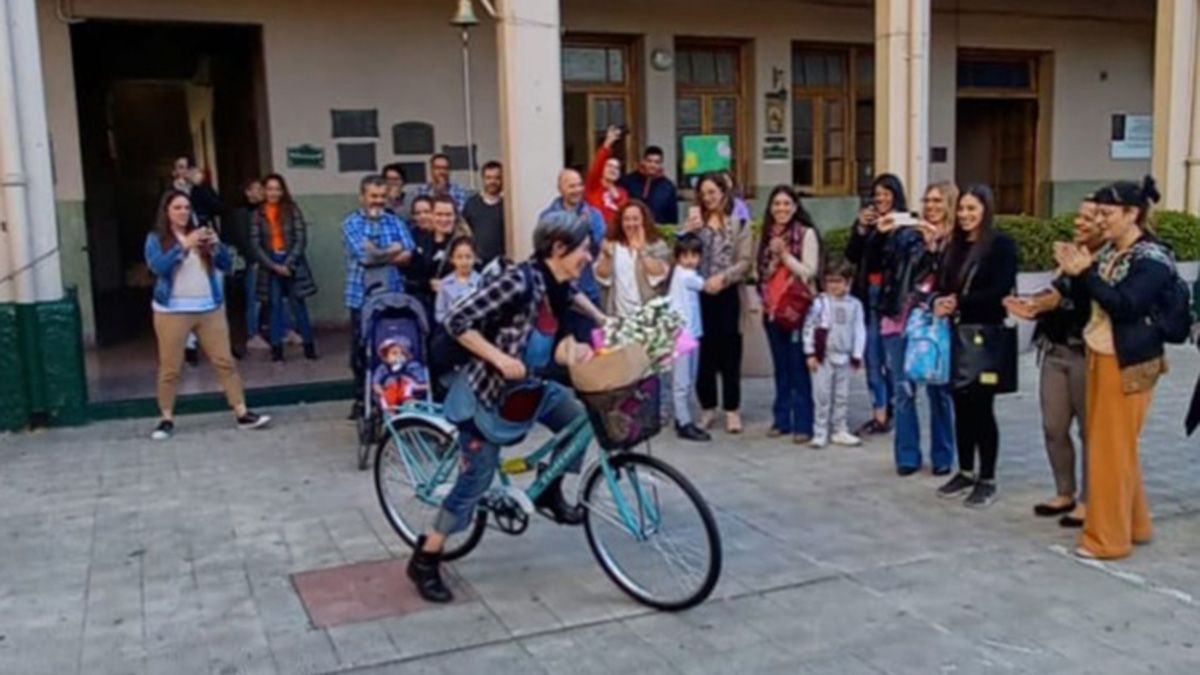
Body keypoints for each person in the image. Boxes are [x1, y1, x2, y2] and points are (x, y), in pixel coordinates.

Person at [407, 211, 604, 603]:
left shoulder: (559, 285)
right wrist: (498, 358)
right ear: (558, 247)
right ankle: (426, 557)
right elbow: (459, 320)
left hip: (528, 388)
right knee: (473, 483)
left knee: (579, 419)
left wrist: (583, 349)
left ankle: (548, 491)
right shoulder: (517, 281)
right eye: (583, 249)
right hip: (486, 394)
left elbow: (556, 342)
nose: (589, 257)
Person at [1054, 177, 1171, 560]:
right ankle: (1135, 524)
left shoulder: (1151, 259)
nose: (1099, 220)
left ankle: (1107, 540)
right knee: (1118, 449)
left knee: (1109, 450)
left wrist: (1085, 273)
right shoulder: (1109, 252)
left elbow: (1126, 305)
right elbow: (1089, 298)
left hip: (1128, 360)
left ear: (1131, 214)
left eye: (1107, 213)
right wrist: (1072, 274)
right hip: (1099, 352)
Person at [1004, 198, 1103, 529]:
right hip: (1055, 349)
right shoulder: (1071, 254)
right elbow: (1057, 293)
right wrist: (1032, 305)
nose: (1079, 223)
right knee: (1053, 427)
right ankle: (1065, 491)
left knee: (1091, 431)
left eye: (1088, 218)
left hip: (1085, 353)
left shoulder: (1108, 260)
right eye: (1078, 216)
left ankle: (1092, 499)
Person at [143, 190, 271, 440]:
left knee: (224, 361)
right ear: (166, 212)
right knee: (170, 367)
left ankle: (242, 412)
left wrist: (216, 247)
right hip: (172, 311)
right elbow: (157, 267)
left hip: (208, 308)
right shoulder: (156, 238)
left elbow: (226, 265)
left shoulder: (201, 233)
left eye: (186, 208)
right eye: (177, 208)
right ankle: (166, 418)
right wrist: (183, 246)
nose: (183, 212)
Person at [933, 185, 1018, 508]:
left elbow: (1000, 288)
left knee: (982, 409)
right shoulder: (953, 246)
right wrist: (941, 301)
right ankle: (965, 470)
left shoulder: (1000, 245)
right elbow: (942, 283)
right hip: (956, 333)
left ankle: (987, 477)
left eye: (972, 209)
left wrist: (960, 301)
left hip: (985, 334)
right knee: (961, 406)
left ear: (986, 210)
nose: (966, 216)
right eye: (962, 209)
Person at [879, 182, 959, 476]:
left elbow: (950, 278)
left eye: (938, 201)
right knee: (904, 390)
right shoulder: (909, 236)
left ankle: (943, 455)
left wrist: (937, 249)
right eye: (928, 200)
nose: (932, 206)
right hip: (904, 319)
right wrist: (922, 245)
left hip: (938, 325)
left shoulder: (957, 242)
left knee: (940, 392)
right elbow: (897, 269)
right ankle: (907, 456)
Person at [681, 173, 754, 434]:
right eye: (704, 193)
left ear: (724, 192)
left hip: (727, 292)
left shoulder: (739, 223)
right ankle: (707, 406)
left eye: (713, 192)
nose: (708, 198)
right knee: (705, 353)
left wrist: (724, 278)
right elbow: (680, 254)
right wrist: (686, 231)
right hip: (698, 294)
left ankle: (732, 409)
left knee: (730, 351)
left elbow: (746, 261)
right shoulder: (696, 222)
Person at [343, 174, 417, 415]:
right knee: (360, 350)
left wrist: (377, 252)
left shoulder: (395, 221)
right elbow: (363, 257)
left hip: (393, 295)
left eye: (382, 197)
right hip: (360, 298)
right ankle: (361, 400)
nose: (378, 201)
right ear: (362, 197)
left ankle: (393, 396)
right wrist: (392, 251)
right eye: (373, 196)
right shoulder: (350, 223)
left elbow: (408, 254)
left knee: (393, 346)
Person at [846, 173, 909, 436]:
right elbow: (853, 255)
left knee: (893, 360)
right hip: (867, 294)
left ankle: (897, 407)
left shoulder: (905, 225)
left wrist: (887, 232)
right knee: (871, 356)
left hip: (891, 298)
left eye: (886, 193)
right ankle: (879, 414)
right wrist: (861, 229)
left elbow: (902, 260)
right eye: (877, 193)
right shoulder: (868, 223)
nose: (881, 199)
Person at [757, 185, 821, 443]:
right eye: (776, 204)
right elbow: (760, 273)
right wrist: (773, 259)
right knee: (780, 368)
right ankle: (781, 419)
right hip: (772, 309)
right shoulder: (765, 235)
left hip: (797, 309)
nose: (781, 209)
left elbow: (809, 272)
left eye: (786, 204)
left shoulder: (806, 234)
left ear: (795, 207)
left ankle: (804, 423)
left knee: (798, 366)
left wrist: (784, 255)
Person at [250, 174, 319, 362]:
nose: (274, 193)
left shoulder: (292, 209)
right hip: (270, 263)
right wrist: (273, 265)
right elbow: (255, 244)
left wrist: (288, 263)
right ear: (264, 191)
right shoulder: (258, 213)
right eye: (270, 189)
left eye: (277, 189)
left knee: (299, 305)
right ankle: (277, 349)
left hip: (291, 261)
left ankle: (309, 346)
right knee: (274, 307)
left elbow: (300, 237)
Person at [804, 260, 866, 449]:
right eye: (830, 281)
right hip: (823, 356)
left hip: (844, 355)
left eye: (838, 281)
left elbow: (859, 330)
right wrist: (810, 352)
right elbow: (810, 327)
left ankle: (840, 429)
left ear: (848, 282)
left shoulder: (854, 304)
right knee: (821, 395)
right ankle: (820, 431)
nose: (834, 285)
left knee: (842, 395)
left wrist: (857, 354)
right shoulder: (820, 303)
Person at [541, 169, 607, 342]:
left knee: (590, 351)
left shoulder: (594, 215)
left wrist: (588, 228)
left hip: (588, 290)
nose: (577, 190)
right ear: (560, 188)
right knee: (562, 352)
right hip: (559, 295)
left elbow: (600, 249)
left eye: (579, 185)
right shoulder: (548, 217)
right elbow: (548, 254)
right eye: (572, 186)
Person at [594, 200, 670, 318]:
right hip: (617, 314)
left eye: (635, 219)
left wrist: (642, 251)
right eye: (626, 219)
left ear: (643, 220)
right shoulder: (611, 243)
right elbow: (601, 276)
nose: (631, 223)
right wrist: (608, 257)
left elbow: (661, 273)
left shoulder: (657, 244)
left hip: (648, 314)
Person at [668, 234, 710, 442]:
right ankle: (683, 422)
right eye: (685, 255)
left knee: (687, 378)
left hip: (692, 332)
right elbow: (706, 285)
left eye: (694, 255)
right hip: (683, 334)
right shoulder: (685, 275)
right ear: (678, 258)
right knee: (682, 381)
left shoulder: (685, 273)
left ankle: (682, 417)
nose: (690, 259)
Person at [408, 196, 471, 319]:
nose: (444, 219)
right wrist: (428, 283)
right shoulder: (420, 240)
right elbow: (412, 275)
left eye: (448, 215)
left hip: (454, 308)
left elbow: (471, 277)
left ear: (455, 217)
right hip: (425, 307)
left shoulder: (462, 243)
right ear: (432, 216)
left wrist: (448, 285)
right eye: (439, 214)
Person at [230, 179, 268, 351]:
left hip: (265, 260)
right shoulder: (242, 213)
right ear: (248, 192)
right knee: (254, 298)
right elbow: (245, 241)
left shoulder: (263, 210)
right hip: (254, 262)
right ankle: (253, 334)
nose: (262, 192)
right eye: (257, 189)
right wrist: (255, 259)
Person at [618, 145, 679, 226]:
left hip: (658, 231)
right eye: (649, 161)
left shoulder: (668, 187)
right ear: (643, 161)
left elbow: (672, 218)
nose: (652, 165)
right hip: (631, 228)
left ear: (661, 164)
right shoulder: (628, 181)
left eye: (657, 162)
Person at [461, 161, 506, 264]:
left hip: (502, 262)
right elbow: (464, 232)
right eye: (488, 178)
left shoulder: (508, 206)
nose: (492, 181)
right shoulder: (471, 204)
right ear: (483, 179)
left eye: (497, 178)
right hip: (476, 262)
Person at [585, 126, 629, 226]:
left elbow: (625, 215)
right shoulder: (594, 186)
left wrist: (617, 198)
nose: (613, 170)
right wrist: (608, 142)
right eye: (609, 166)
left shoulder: (622, 193)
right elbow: (597, 164)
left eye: (616, 168)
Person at [435, 236, 482, 324]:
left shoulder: (481, 282)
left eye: (468, 257)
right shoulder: (445, 284)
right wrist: (450, 322)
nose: (464, 262)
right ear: (452, 259)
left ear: (475, 258)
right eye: (459, 257)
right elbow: (439, 313)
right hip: (451, 328)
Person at [373, 337, 427, 411]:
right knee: (387, 396)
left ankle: (410, 408)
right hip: (390, 390)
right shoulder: (383, 369)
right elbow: (376, 383)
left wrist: (416, 386)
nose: (398, 356)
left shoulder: (412, 366)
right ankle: (390, 411)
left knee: (407, 388)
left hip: (410, 392)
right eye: (394, 353)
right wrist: (381, 392)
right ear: (386, 357)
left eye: (402, 353)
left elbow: (423, 383)